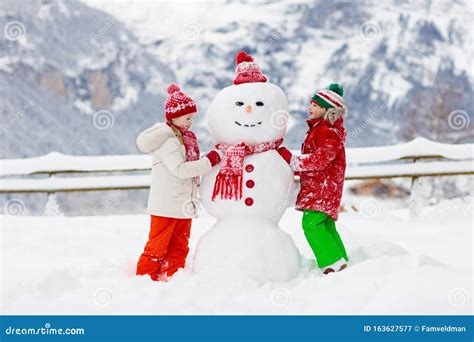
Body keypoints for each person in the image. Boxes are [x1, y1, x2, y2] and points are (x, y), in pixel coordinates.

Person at [135, 84, 221, 281]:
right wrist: (209, 161)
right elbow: (180, 170)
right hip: (166, 205)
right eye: (187, 117)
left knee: (180, 246)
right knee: (157, 247)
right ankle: (144, 280)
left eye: (192, 117)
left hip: (183, 203)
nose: (191, 122)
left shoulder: (184, 138)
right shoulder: (168, 141)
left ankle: (172, 278)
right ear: (173, 117)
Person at [278, 83, 349, 275]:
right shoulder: (321, 129)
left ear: (327, 110)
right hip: (321, 187)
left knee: (311, 224)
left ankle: (333, 264)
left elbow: (320, 159)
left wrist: (293, 161)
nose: (310, 108)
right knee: (325, 224)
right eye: (311, 104)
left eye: (315, 105)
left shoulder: (328, 131)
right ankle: (341, 261)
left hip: (323, 188)